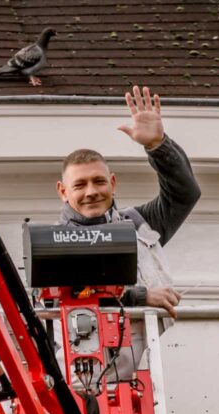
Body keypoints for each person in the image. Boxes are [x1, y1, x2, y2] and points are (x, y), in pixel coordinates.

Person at [56, 85, 200, 317]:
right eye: (80, 185)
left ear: (112, 183)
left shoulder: (137, 222)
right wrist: (140, 296)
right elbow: (65, 296)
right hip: (85, 353)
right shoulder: (53, 241)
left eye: (99, 181)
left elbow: (184, 195)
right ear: (63, 191)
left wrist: (158, 146)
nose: (91, 192)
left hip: (156, 347)